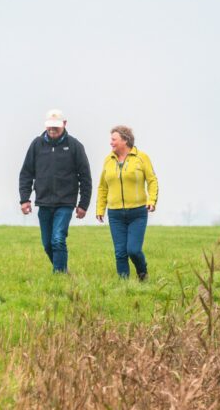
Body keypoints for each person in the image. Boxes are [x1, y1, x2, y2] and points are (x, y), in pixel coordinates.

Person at [18, 109, 92, 274]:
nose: (52, 130)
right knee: (47, 244)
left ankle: (58, 277)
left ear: (64, 124)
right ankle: (64, 272)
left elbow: (85, 177)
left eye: (56, 127)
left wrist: (83, 204)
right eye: (50, 126)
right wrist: (25, 199)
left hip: (65, 203)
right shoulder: (36, 145)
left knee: (58, 239)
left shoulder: (75, 146)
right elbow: (26, 174)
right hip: (44, 203)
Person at [95, 125, 159, 281]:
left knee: (133, 250)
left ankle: (142, 272)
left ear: (125, 140)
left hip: (137, 212)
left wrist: (151, 200)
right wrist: (100, 208)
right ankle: (124, 285)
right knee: (120, 252)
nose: (111, 143)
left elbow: (152, 181)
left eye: (114, 139)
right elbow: (103, 187)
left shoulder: (141, 157)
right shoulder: (108, 160)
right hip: (115, 213)